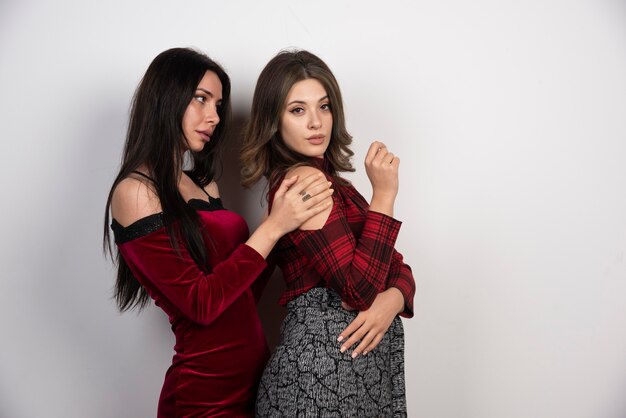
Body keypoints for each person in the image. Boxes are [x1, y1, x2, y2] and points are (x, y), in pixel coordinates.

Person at [103, 47, 333, 417]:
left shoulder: (203, 183)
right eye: (201, 99)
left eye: (218, 104)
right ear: (165, 99)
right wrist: (274, 226)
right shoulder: (134, 192)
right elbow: (202, 303)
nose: (213, 117)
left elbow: (240, 292)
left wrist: (290, 226)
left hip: (257, 382)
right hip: (202, 397)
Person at [240, 50, 416, 417]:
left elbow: (396, 265)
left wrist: (395, 297)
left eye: (324, 107)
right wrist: (384, 194)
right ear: (275, 120)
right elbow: (358, 289)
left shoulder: (335, 185)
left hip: (347, 371)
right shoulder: (305, 182)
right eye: (298, 110)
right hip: (322, 375)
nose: (316, 122)